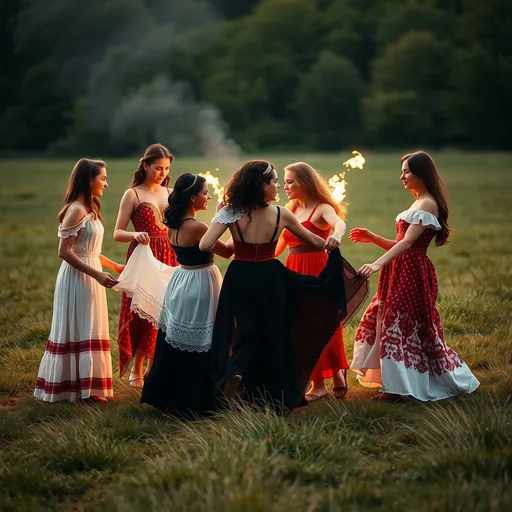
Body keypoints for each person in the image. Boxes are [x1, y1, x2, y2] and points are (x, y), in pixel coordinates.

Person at [200, 160, 364, 412]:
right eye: (274, 181)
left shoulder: (231, 212)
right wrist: (332, 241)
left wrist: (229, 236)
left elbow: (205, 244)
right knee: (273, 333)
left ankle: (237, 373)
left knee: (243, 331)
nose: (278, 186)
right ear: (261, 185)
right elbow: (314, 241)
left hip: (240, 275)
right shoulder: (281, 213)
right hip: (270, 276)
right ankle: (270, 393)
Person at [350, 151, 480, 401]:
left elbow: (409, 244)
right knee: (390, 322)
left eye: (407, 171)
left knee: (399, 325)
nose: (402, 176)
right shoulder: (418, 201)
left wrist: (376, 264)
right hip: (400, 269)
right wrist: (374, 238)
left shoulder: (427, 203)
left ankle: (400, 389)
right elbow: (401, 243)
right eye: (403, 171)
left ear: (422, 173)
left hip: (411, 273)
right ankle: (396, 385)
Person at [140, 174, 233, 415]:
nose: (209, 197)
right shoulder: (196, 227)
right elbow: (227, 252)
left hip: (181, 281)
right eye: (205, 193)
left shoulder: (174, 224)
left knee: (178, 340)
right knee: (202, 339)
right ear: (193, 197)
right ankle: (194, 399)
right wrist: (230, 222)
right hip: (200, 282)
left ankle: (170, 395)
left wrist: (217, 220)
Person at [34, 158, 124, 403]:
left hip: (91, 270)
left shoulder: (91, 206)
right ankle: (73, 388)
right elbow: (64, 251)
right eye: (103, 178)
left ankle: (89, 388)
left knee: (91, 324)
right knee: (80, 324)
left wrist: (113, 265)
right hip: (77, 277)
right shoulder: (76, 209)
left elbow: (89, 249)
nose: (106, 184)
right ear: (89, 180)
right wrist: (95, 274)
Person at [277, 161, 351, 401]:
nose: (285, 186)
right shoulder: (289, 209)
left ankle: (329, 377)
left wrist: (337, 236)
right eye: (284, 181)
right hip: (294, 270)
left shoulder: (322, 208)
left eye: (290, 181)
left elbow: (338, 223)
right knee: (301, 325)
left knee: (323, 322)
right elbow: (279, 247)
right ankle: (324, 379)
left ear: (305, 182)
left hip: (317, 269)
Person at [114, 143, 177, 387]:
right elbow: (117, 233)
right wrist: (135, 235)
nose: (162, 173)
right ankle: (136, 371)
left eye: (166, 169)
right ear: (145, 165)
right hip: (144, 255)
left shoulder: (169, 192)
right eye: (158, 168)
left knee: (165, 311)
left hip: (170, 254)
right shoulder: (134, 194)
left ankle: (155, 368)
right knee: (144, 311)